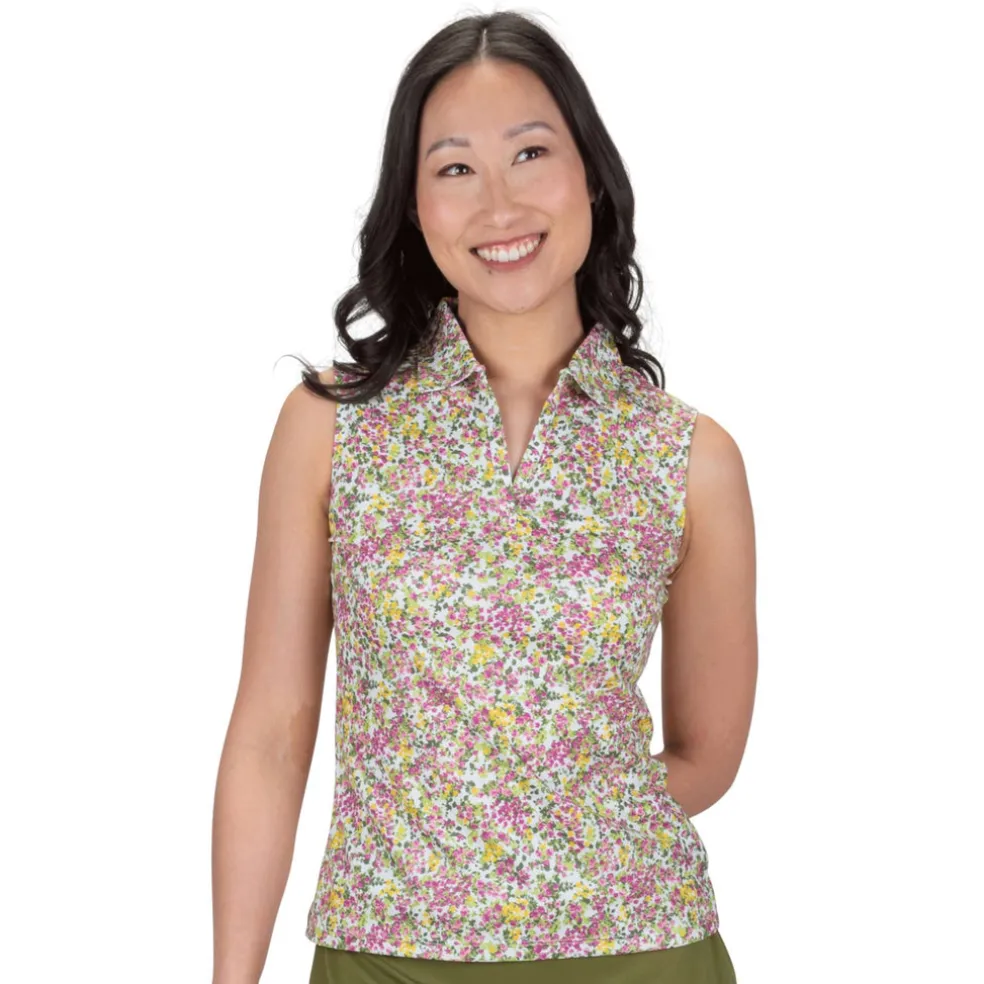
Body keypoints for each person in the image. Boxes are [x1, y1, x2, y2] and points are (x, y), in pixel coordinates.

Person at [211, 10, 757, 984]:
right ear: (415, 206)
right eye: (455, 167)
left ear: (591, 175)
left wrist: (528, 822)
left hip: (639, 954)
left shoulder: (689, 458)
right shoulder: (331, 428)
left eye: (531, 153)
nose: (498, 204)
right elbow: (269, 738)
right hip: (384, 958)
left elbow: (707, 755)